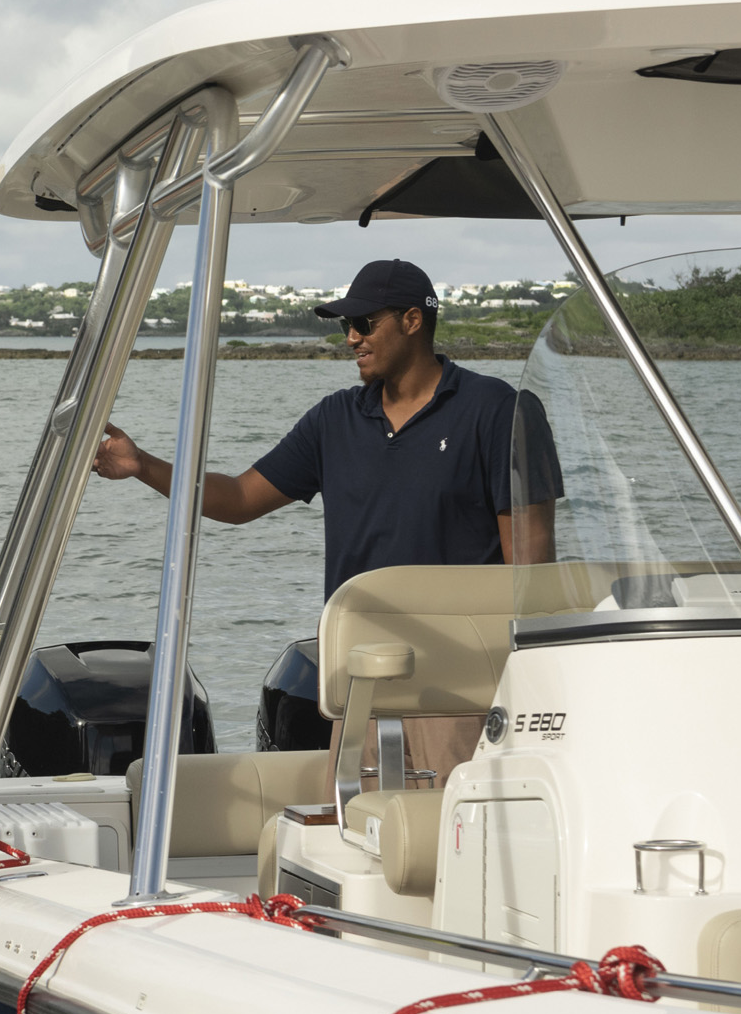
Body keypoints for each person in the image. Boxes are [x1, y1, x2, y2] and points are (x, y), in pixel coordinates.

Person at [93, 258, 562, 781]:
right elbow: (239, 498)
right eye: (346, 326)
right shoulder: (333, 420)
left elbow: (531, 572)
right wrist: (142, 466)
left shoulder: (499, 411)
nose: (351, 338)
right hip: (361, 679)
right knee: (359, 840)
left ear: (412, 320)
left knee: (459, 839)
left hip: (458, 689)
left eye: (365, 324)